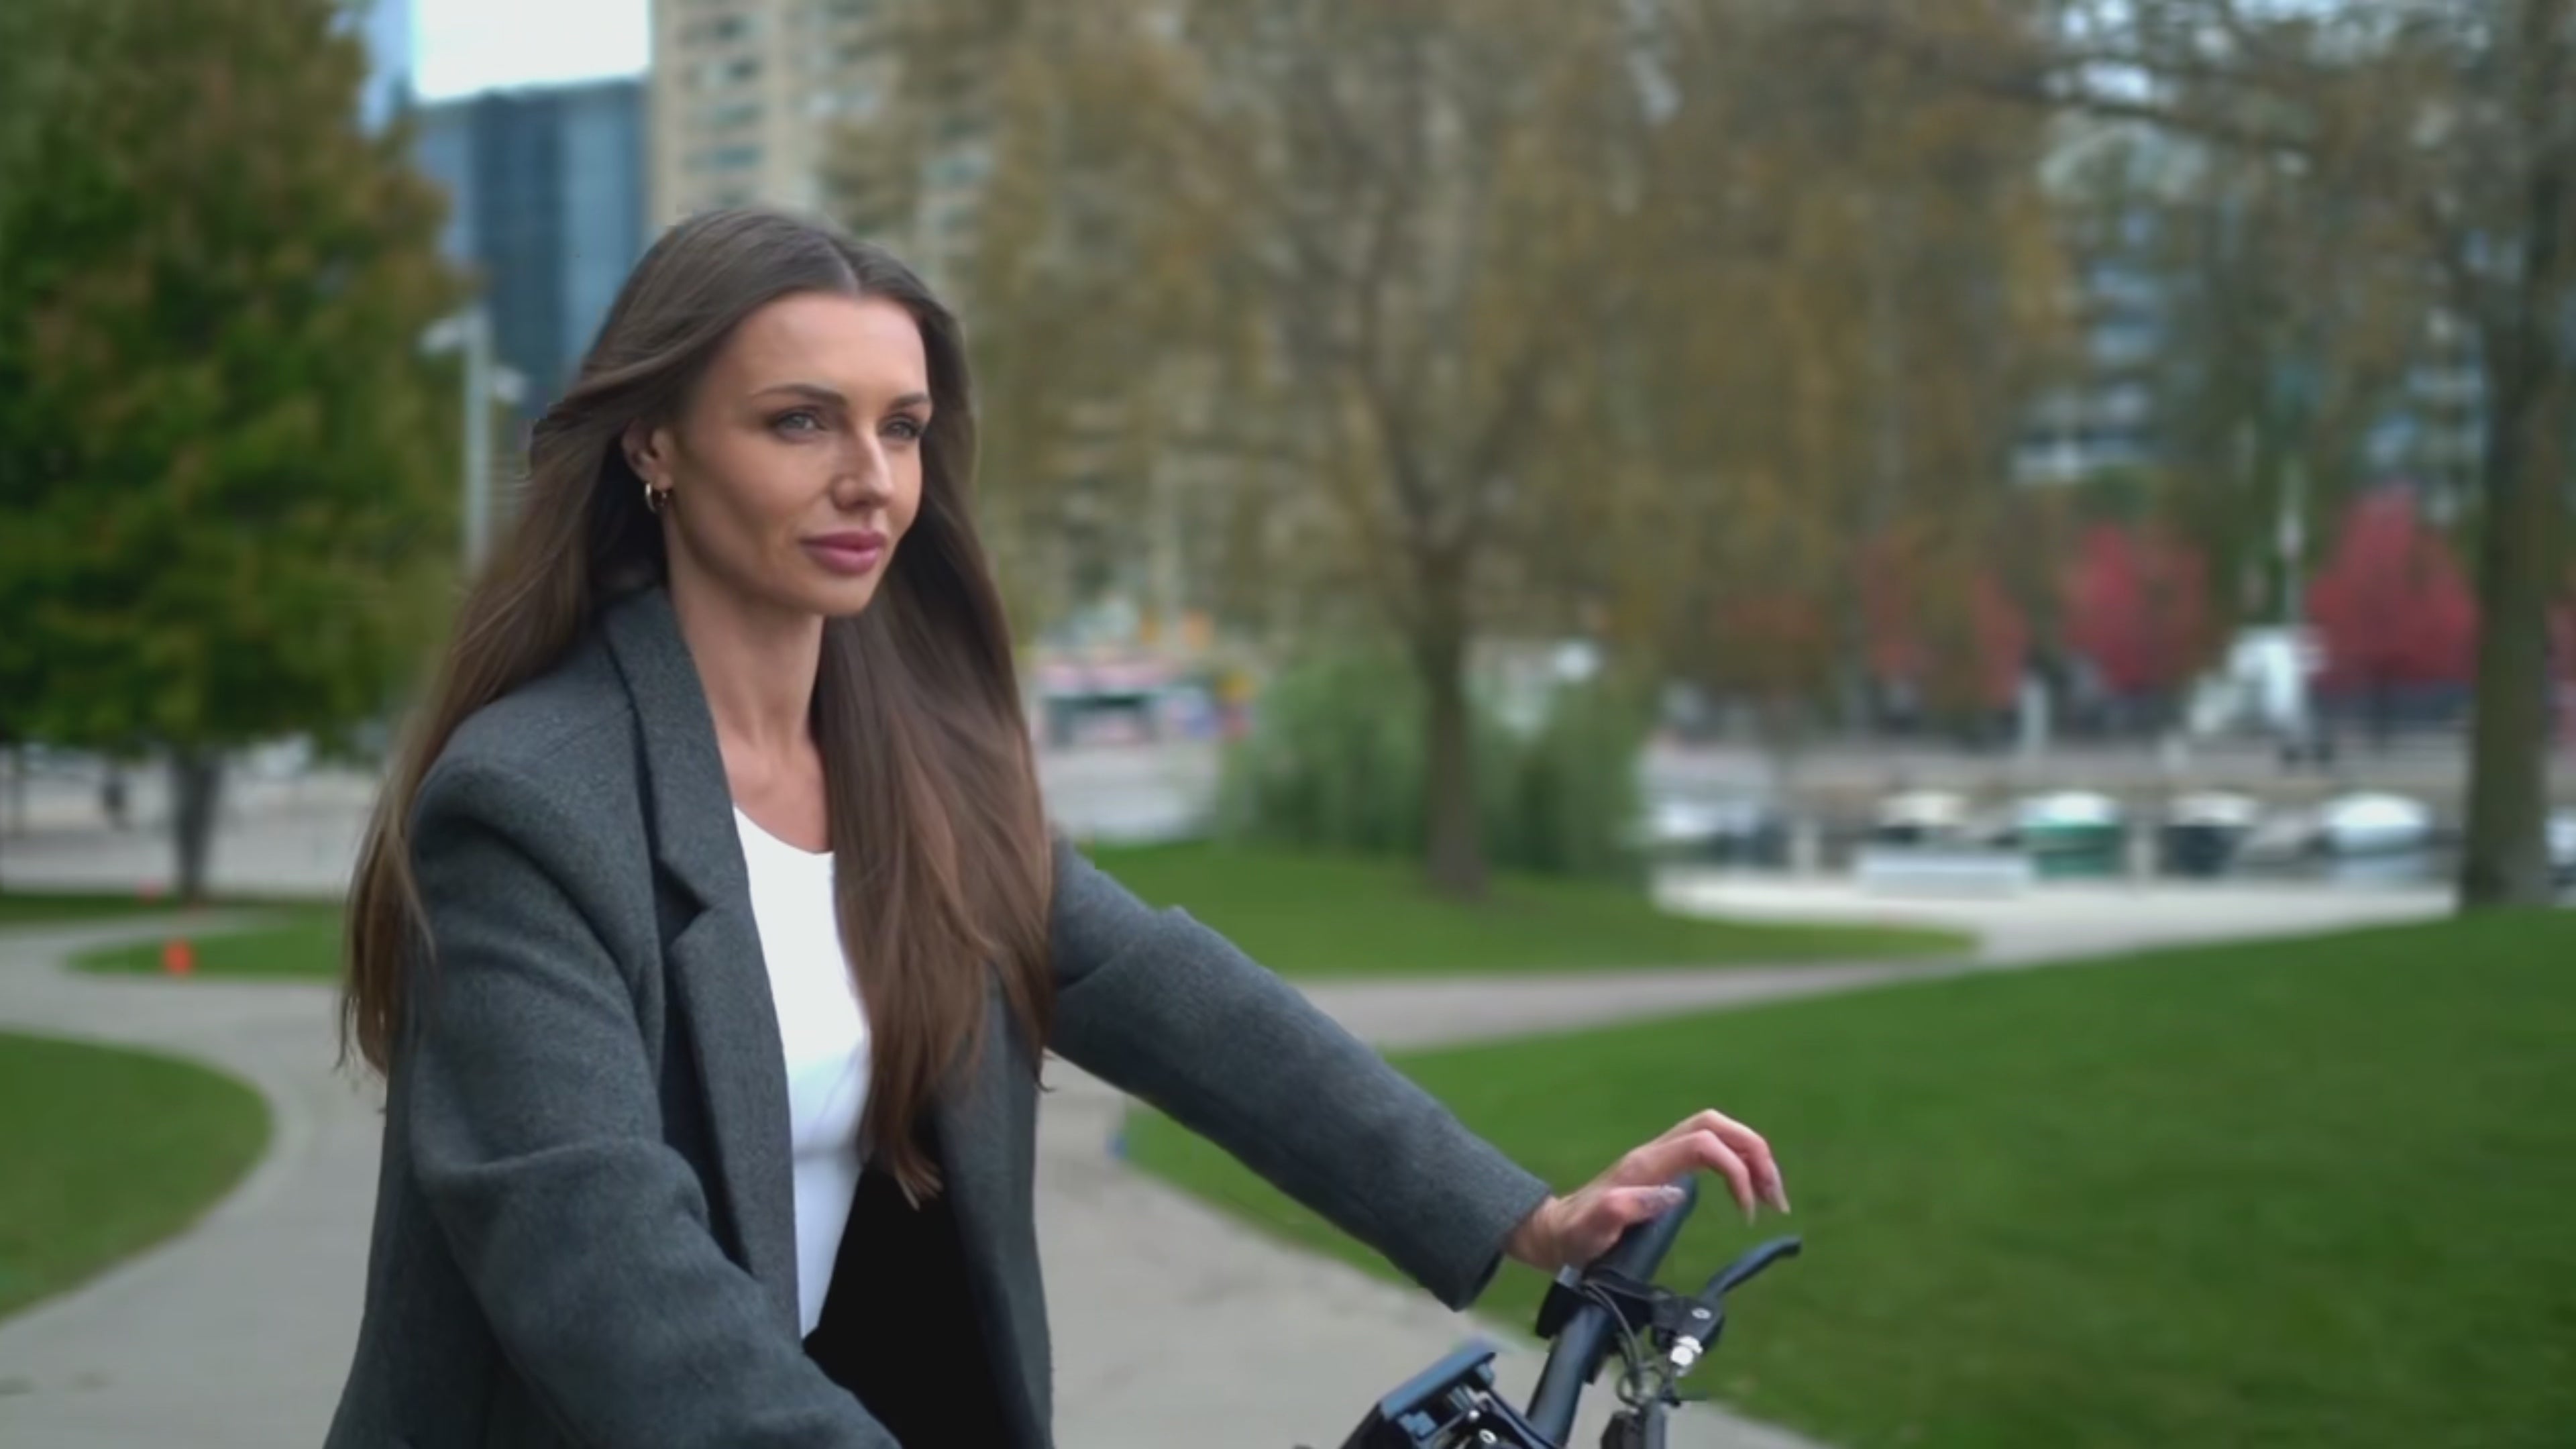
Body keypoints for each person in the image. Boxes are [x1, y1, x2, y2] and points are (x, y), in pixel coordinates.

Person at [324, 208, 1787, 1448]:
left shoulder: (914, 770)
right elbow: (601, 1263)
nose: (871, 481)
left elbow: (1178, 1003)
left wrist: (1523, 1218)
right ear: (655, 444)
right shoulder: (527, 806)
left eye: (900, 429)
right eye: (800, 423)